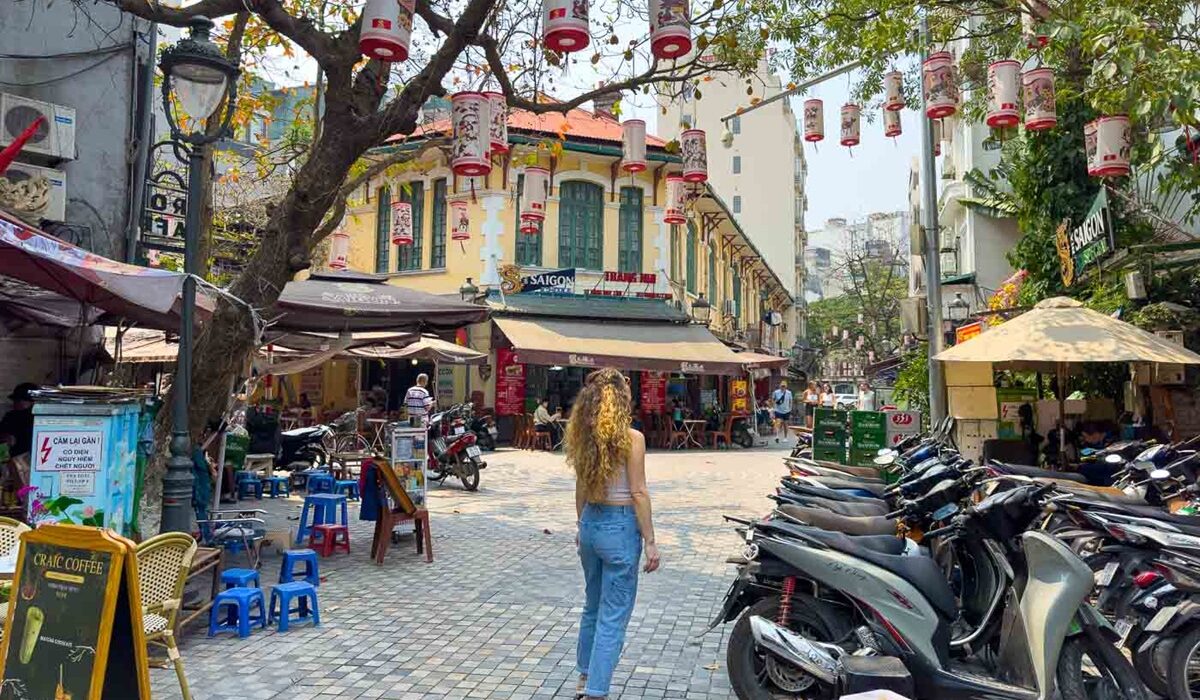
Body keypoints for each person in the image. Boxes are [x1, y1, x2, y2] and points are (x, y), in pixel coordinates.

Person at [566, 368, 660, 699]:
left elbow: (581, 487)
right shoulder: (632, 438)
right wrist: (650, 541)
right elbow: (638, 492)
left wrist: (581, 525)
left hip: (591, 523)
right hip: (620, 527)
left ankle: (585, 676)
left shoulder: (583, 435)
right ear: (622, 398)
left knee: (592, 605)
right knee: (613, 614)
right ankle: (596, 691)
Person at [0, 383, 37, 459]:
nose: (15, 403)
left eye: (19, 400)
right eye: (16, 400)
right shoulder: (11, 416)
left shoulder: (39, 419)